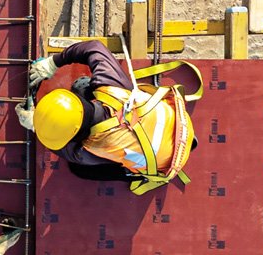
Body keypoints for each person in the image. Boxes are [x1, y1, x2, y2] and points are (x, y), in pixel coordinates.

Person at [17, 38, 204, 193]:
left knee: (79, 170)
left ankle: (131, 174)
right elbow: (94, 47)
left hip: (165, 160)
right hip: (175, 124)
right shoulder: (112, 89)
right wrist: (54, 62)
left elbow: (63, 150)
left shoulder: (91, 149)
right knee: (82, 86)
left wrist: (36, 124)